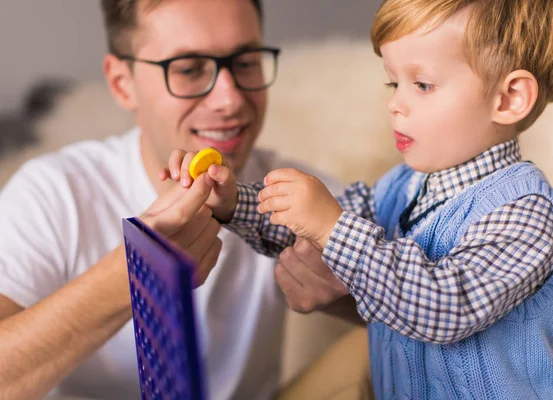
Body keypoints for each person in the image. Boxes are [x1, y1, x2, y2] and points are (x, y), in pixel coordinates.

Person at [166, 0, 553, 398]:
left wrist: (332, 226)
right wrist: (233, 202)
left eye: (422, 84)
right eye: (393, 81)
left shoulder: (524, 211)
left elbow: (446, 306)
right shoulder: (400, 186)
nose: (394, 104)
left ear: (509, 98)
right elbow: (311, 235)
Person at [0, 0, 365, 399]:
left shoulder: (297, 195)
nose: (229, 100)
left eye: (245, 63)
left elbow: (423, 308)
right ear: (124, 83)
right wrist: (134, 275)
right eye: (189, 70)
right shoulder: (55, 192)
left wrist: (343, 298)